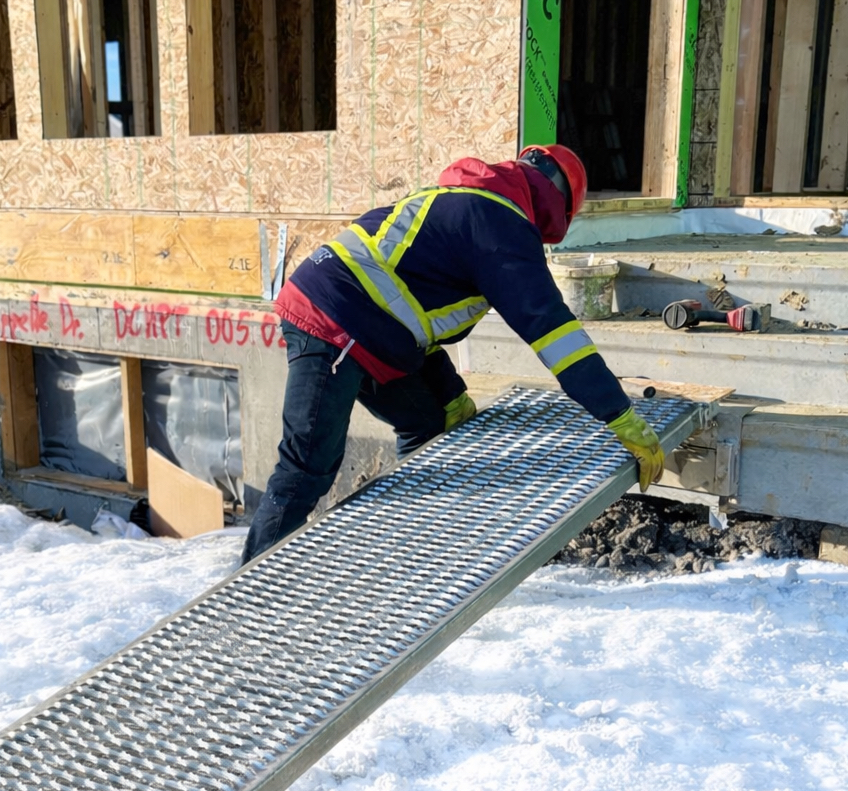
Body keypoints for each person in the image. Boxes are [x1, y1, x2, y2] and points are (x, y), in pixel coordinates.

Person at [242, 145, 664, 562]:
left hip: (363, 324)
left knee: (429, 420)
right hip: (333, 320)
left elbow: (410, 308)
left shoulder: (462, 202)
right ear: (561, 208)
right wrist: (617, 414)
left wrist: (449, 394)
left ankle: (415, 540)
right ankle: (251, 590)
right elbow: (554, 332)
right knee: (307, 468)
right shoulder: (501, 224)